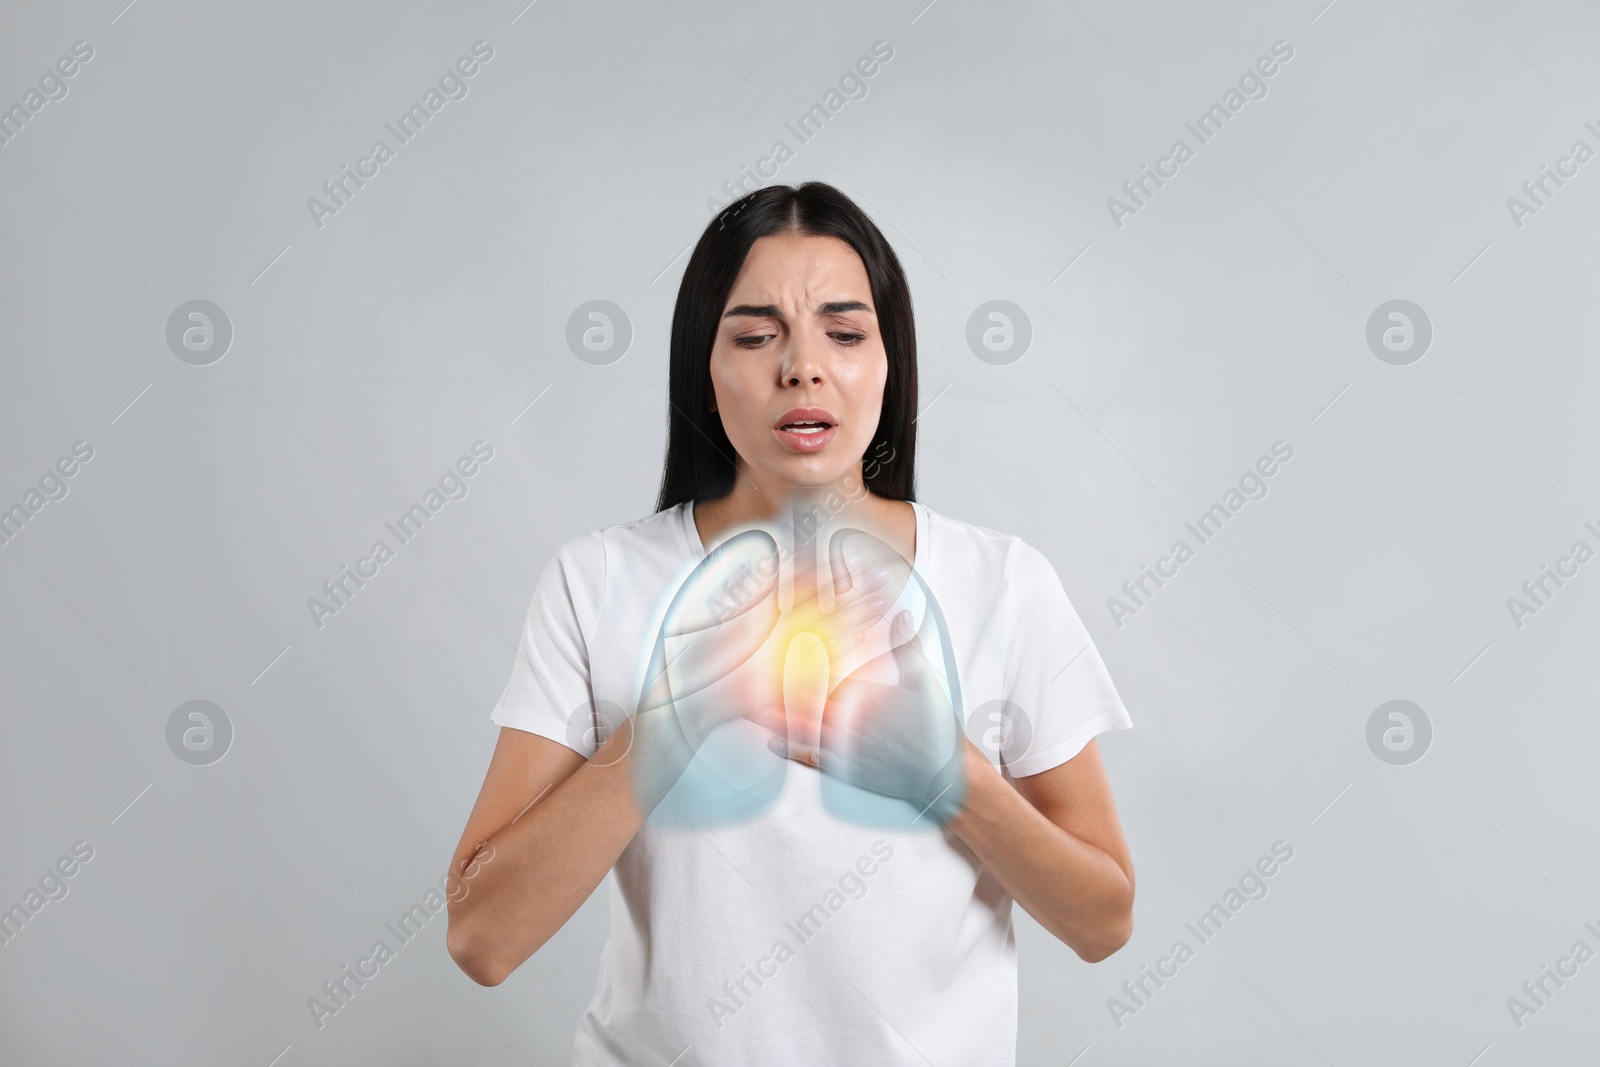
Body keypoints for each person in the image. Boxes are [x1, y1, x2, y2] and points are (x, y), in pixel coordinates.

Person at [446, 181, 1136, 1066]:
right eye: (756, 334)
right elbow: (483, 937)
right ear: (705, 363)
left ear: (890, 363)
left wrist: (948, 778)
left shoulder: (1002, 584)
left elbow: (1102, 920)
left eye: (844, 333)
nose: (803, 367)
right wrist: (671, 722)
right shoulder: (598, 581)